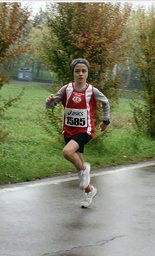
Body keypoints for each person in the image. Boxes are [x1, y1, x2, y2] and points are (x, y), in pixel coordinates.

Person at [45, 58, 110, 208]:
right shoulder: (66, 89)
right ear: (73, 73)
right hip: (68, 130)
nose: (80, 74)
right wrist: (49, 101)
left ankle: (84, 169)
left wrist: (105, 120)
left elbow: (105, 102)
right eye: (77, 71)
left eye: (83, 71)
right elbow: (51, 104)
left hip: (84, 130)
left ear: (87, 73)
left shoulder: (92, 91)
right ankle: (89, 190)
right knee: (77, 161)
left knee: (67, 153)